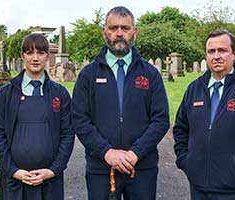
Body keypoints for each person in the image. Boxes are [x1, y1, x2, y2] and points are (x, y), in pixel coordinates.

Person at [71, 6, 169, 200]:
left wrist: (135, 153)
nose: (119, 33)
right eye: (113, 27)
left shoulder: (150, 74)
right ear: (104, 32)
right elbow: (80, 120)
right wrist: (106, 152)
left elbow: (161, 120)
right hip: (101, 168)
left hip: (142, 167)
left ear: (135, 32)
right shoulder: (88, 74)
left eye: (125, 28)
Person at [173, 29, 235, 200]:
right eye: (211, 51)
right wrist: (186, 161)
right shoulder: (194, 89)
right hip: (198, 187)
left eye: (222, 50)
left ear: (234, 54)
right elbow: (181, 129)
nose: (216, 56)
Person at [0, 33, 74, 200]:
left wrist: (53, 170)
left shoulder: (60, 94)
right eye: (29, 52)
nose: (35, 58)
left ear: (47, 56)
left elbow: (68, 134)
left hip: (50, 181)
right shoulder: (6, 94)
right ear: (23, 56)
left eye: (40, 53)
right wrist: (13, 170)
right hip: (14, 181)